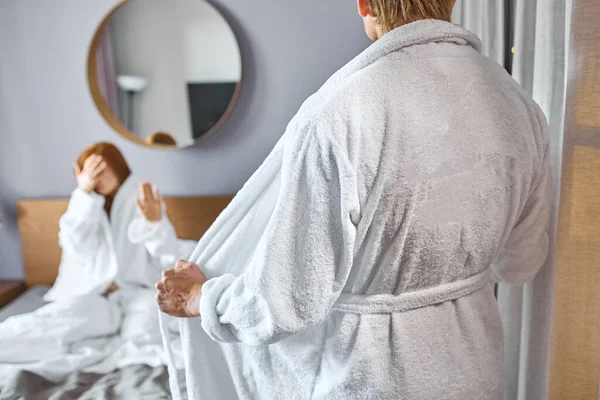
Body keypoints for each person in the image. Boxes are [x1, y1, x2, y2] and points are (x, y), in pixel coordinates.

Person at [156, 1, 552, 399]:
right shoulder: (518, 106)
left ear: (364, 3)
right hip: (476, 374)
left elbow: (285, 302)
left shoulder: (341, 114)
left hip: (376, 381)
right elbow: (521, 262)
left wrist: (202, 300)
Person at [0, 142, 193, 366]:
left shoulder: (143, 201)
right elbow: (74, 243)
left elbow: (168, 254)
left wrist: (155, 224)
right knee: (49, 326)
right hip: (94, 295)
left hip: (137, 295)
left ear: (118, 168)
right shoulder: (83, 208)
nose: (97, 177)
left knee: (147, 335)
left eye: (102, 169)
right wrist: (83, 193)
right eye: (90, 172)